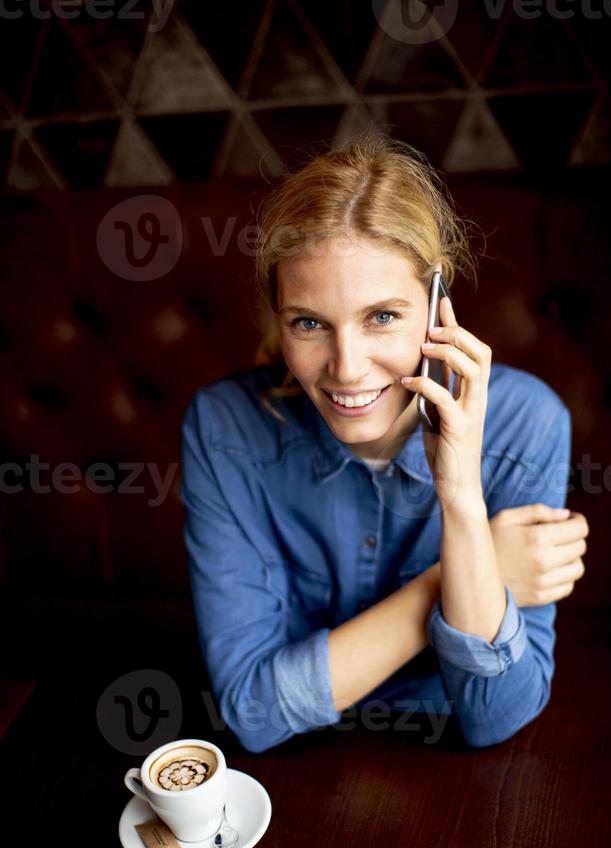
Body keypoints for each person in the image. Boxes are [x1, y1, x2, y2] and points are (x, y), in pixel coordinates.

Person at [180, 133, 589, 754]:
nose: (346, 368)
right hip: (292, 774)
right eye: (310, 323)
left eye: (382, 317)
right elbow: (252, 712)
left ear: (436, 305)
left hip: (452, 773)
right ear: (277, 318)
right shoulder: (224, 427)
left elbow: (495, 718)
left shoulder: (526, 422)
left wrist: (460, 498)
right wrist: (462, 575)